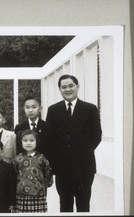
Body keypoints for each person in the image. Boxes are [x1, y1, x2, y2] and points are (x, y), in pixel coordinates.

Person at [46, 74, 102, 212]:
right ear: (60, 89)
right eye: (63, 87)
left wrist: (82, 151)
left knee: (83, 205)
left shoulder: (90, 109)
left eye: (71, 85)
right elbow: (50, 137)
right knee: (65, 205)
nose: (68, 89)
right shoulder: (53, 110)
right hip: (62, 167)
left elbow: (97, 136)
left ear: (77, 87)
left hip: (84, 165)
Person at [13, 129, 53, 213]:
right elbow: (14, 174)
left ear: (36, 142)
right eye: (25, 140)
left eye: (31, 140)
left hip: (38, 194)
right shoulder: (17, 159)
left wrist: (41, 186)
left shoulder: (41, 158)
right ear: (21, 142)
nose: (28, 143)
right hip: (21, 194)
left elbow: (47, 173)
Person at [14, 95, 52, 160]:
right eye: (27, 107)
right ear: (24, 109)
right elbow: (18, 149)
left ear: (40, 109)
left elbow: (51, 149)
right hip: (24, 163)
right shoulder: (19, 127)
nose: (30, 110)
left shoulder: (47, 127)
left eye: (34, 107)